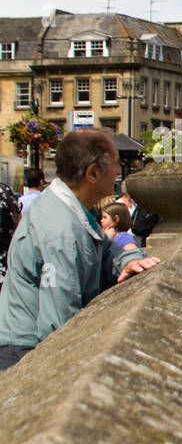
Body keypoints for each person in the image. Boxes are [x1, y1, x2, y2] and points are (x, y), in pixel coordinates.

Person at [0, 128, 160, 373]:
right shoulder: (59, 231)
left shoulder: (73, 209)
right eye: (115, 164)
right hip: (23, 350)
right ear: (93, 173)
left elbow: (110, 250)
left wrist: (128, 258)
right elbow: (59, 326)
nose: (118, 172)